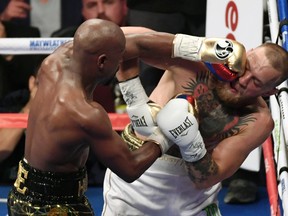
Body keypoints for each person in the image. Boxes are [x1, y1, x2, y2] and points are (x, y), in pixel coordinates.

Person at [101, 29, 288, 215]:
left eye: (256, 81)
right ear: (246, 53)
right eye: (247, 67)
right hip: (135, 178)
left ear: (269, 92)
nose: (243, 80)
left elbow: (206, 179)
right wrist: (196, 46)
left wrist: (190, 141)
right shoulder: (199, 60)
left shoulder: (257, 120)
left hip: (191, 197)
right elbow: (119, 40)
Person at [7, 19, 174, 215]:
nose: (121, 61)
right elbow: (130, 168)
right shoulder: (86, 114)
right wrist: (167, 133)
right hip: (54, 209)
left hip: (20, 194)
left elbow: (133, 40)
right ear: (102, 61)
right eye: (118, 58)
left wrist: (193, 47)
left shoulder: (53, 61)